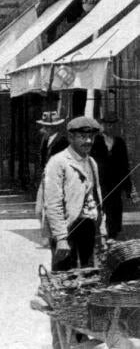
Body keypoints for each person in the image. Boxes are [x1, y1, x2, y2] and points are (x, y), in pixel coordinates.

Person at [44, 116, 106, 271]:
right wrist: (61, 238)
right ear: (71, 137)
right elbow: (52, 203)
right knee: (64, 276)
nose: (88, 141)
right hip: (66, 227)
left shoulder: (91, 162)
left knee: (89, 275)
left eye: (91, 137)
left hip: (88, 226)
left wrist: (101, 231)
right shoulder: (57, 162)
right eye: (82, 137)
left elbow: (96, 197)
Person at [91, 112, 132, 240]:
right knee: (98, 209)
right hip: (100, 183)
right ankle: (98, 238)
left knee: (115, 211)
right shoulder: (96, 141)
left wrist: (128, 188)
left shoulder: (119, 142)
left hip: (115, 183)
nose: (110, 127)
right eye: (108, 124)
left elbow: (125, 166)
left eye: (113, 125)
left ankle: (112, 237)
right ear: (103, 125)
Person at [35, 112, 68, 247]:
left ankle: (52, 237)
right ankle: (50, 236)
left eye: (46, 126)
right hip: (45, 177)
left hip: (56, 179)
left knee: (52, 208)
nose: (44, 129)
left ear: (53, 128)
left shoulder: (63, 141)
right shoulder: (45, 139)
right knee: (39, 210)